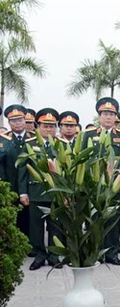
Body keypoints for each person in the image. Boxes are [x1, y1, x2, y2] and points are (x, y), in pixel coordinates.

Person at [82, 97, 120, 266]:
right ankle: (94, 252)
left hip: (115, 184)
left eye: (111, 114)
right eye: (104, 114)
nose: (108, 117)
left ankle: (111, 252)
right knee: (94, 218)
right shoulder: (88, 135)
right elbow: (83, 160)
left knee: (113, 221)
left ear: (116, 116)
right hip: (95, 186)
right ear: (99, 116)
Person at [18, 108, 65, 270]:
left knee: (55, 227)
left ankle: (53, 256)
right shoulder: (29, 145)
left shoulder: (61, 145)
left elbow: (66, 172)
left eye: (52, 126)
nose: (48, 129)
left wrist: (66, 194)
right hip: (36, 193)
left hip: (56, 195)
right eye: (45, 126)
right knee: (36, 228)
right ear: (38, 127)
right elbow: (23, 170)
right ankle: (39, 255)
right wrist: (23, 193)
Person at [3, 104, 36, 238]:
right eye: (13, 120)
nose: (17, 123)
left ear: (25, 120)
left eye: (20, 120)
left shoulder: (34, 139)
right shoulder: (3, 139)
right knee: (11, 216)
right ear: (9, 123)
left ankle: (30, 245)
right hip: (9, 184)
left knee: (30, 217)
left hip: (30, 185)